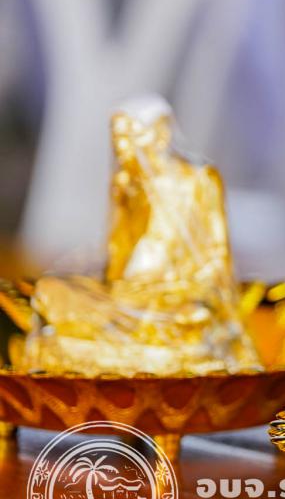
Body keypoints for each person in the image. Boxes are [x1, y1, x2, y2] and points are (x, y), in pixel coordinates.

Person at [23, 95, 257, 374]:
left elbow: (216, 260)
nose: (122, 146)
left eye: (130, 135)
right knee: (51, 289)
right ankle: (119, 338)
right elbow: (118, 255)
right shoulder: (128, 184)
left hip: (177, 297)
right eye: (117, 137)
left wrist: (181, 292)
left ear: (161, 135)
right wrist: (102, 280)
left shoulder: (198, 180)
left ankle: (147, 343)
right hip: (130, 295)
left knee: (190, 318)